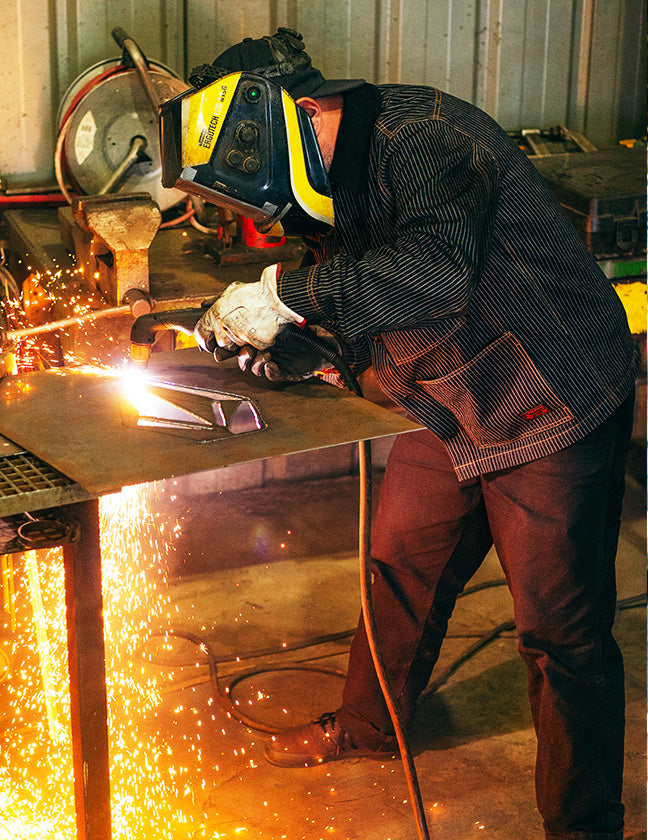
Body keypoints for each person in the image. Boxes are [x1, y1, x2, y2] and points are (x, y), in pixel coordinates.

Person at [192, 28, 638, 840]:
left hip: (553, 399)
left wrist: (287, 293)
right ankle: (367, 728)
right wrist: (311, 357)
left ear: (292, 115)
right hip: (451, 403)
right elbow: (378, 305)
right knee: (399, 564)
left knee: (559, 635)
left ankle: (585, 826)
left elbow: (433, 272)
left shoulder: (423, 140)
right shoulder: (332, 183)